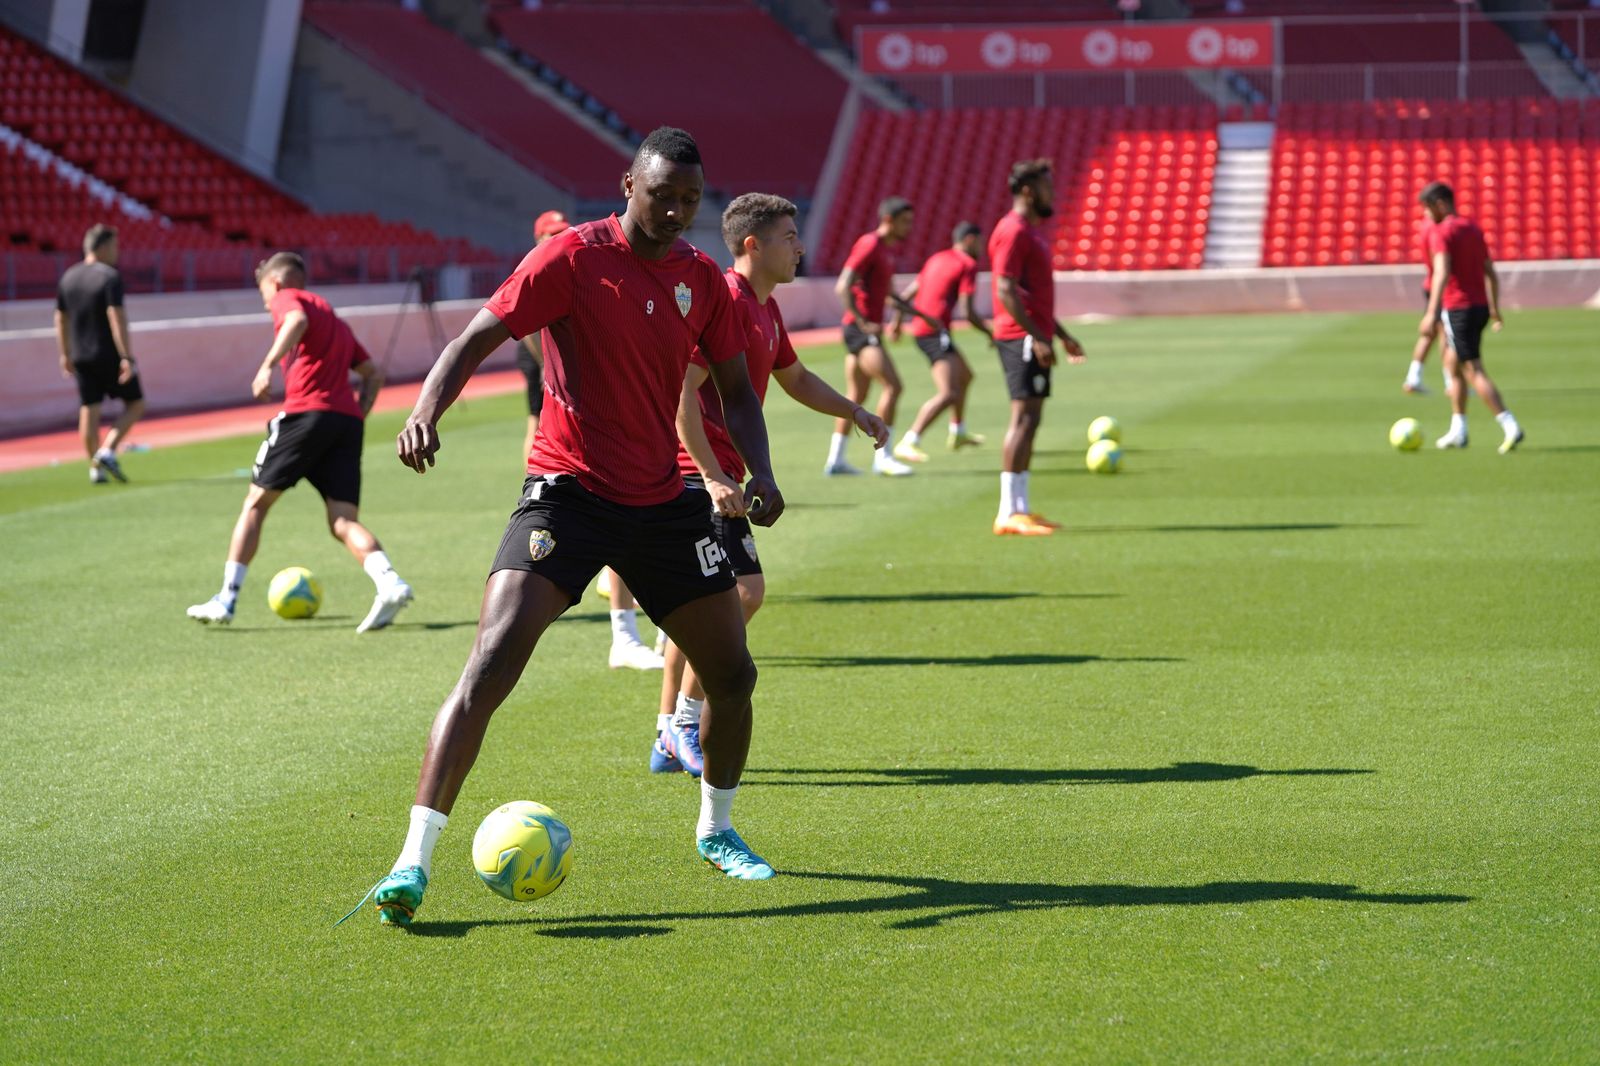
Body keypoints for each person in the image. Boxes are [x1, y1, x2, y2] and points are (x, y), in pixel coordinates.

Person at [355, 128, 785, 928]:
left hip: (663, 503)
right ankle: (410, 863)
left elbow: (737, 391)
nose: (677, 213)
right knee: (489, 666)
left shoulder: (702, 281)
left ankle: (718, 832)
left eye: (691, 201)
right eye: (664, 196)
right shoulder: (571, 259)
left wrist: (758, 473)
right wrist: (424, 410)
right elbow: (476, 336)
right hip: (568, 496)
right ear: (629, 183)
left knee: (732, 676)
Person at [653, 193, 889, 777]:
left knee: (697, 603)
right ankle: (683, 723)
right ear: (752, 245)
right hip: (691, 475)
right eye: (789, 236)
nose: (800, 247)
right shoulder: (726, 302)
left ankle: (668, 737)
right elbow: (681, 393)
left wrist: (854, 410)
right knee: (741, 593)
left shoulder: (766, 309)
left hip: (718, 475)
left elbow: (796, 377)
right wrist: (709, 475)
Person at [186, 253, 415, 630]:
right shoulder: (335, 320)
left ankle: (225, 599)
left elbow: (295, 320)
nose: (266, 302)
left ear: (275, 283)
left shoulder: (288, 300)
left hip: (305, 417)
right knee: (343, 520)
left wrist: (265, 366)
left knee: (255, 504)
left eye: (263, 292)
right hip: (345, 423)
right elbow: (372, 374)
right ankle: (390, 582)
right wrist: (357, 415)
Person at [523, 209, 661, 670]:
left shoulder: (592, 263)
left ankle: (654, 625)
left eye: (563, 230)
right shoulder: (544, 268)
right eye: (550, 233)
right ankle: (625, 632)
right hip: (566, 408)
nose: (559, 236)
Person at [988, 159, 1086, 536]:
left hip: (1031, 334)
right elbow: (1005, 290)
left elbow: (1031, 294)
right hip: (1019, 336)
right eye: (1047, 186)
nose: (1053, 193)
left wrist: (1059, 334)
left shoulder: (1030, 230)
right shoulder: (1013, 231)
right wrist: (1036, 337)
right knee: (1022, 418)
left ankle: (1021, 508)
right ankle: (1007, 512)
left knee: (1033, 419)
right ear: (1028, 190)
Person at [1418, 182, 1523, 453]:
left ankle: (1509, 424)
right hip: (1478, 308)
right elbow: (1490, 270)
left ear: (1440, 204)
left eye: (1429, 208)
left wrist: (1431, 313)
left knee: (1472, 369)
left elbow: (1441, 271)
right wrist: (1494, 307)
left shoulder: (1442, 232)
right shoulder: (1472, 228)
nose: (1427, 215)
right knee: (1452, 365)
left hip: (1457, 308)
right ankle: (1459, 429)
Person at [823, 196, 919, 477]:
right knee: (893, 386)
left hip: (863, 328)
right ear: (888, 220)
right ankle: (884, 457)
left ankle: (836, 460)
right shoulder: (870, 244)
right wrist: (864, 322)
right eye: (905, 222)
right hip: (859, 330)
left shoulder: (887, 251)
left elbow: (888, 294)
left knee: (856, 396)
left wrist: (908, 316)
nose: (909, 228)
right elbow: (844, 285)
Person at [889, 221, 992, 464]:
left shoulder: (937, 258)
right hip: (933, 333)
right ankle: (910, 440)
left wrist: (896, 322)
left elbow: (908, 294)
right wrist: (990, 333)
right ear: (969, 240)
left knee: (965, 376)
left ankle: (958, 432)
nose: (982, 247)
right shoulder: (968, 264)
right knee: (948, 392)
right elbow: (968, 312)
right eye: (979, 242)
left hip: (926, 330)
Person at [54, 224, 143, 484]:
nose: (117, 252)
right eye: (114, 246)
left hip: (80, 354)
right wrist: (126, 355)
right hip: (108, 353)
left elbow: (60, 318)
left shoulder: (68, 277)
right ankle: (107, 450)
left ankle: (95, 468)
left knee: (88, 409)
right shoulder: (109, 277)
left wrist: (65, 353)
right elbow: (115, 316)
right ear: (102, 247)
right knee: (136, 403)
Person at [1403, 215, 1445, 395]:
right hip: (1441, 286)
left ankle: (1414, 376)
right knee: (1445, 334)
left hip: (1430, 283)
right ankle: (1452, 381)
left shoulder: (1425, 226)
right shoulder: (1438, 228)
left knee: (1431, 333)